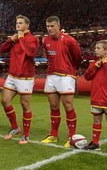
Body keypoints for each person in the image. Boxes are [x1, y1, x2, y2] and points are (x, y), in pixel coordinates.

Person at [41, 16, 82, 148]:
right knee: (53, 106)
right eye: (47, 26)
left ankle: (71, 137)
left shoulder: (69, 40)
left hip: (66, 75)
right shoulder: (45, 40)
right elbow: (48, 56)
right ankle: (53, 135)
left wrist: (70, 70)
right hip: (51, 76)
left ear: (59, 26)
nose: (50, 29)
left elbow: (78, 58)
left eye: (52, 26)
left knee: (68, 106)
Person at [0, 15, 39, 144]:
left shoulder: (33, 39)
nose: (18, 25)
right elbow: (2, 49)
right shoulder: (14, 39)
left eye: (20, 23)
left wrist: (21, 38)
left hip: (25, 77)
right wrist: (11, 39)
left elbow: (30, 53)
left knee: (24, 105)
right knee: (5, 101)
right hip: (12, 76)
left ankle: (26, 135)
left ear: (27, 25)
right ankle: (15, 128)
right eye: (17, 23)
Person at [84, 40, 107, 154]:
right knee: (96, 120)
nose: (95, 50)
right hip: (96, 98)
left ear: (106, 51)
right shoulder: (93, 63)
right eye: (95, 48)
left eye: (98, 48)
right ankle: (95, 143)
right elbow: (87, 77)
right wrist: (95, 66)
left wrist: (105, 64)